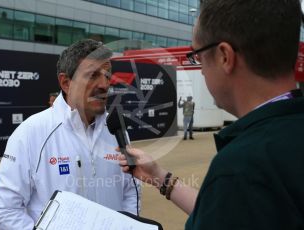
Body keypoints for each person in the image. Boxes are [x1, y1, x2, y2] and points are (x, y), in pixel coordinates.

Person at [119, 0, 304, 229]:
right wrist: (160, 177)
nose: (202, 69)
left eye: (197, 55)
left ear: (225, 56)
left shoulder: (240, 169)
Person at [0, 39, 140, 229]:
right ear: (66, 83)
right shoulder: (30, 133)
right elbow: (2, 209)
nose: (104, 85)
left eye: (108, 76)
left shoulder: (116, 130)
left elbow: (130, 191)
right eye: (93, 75)